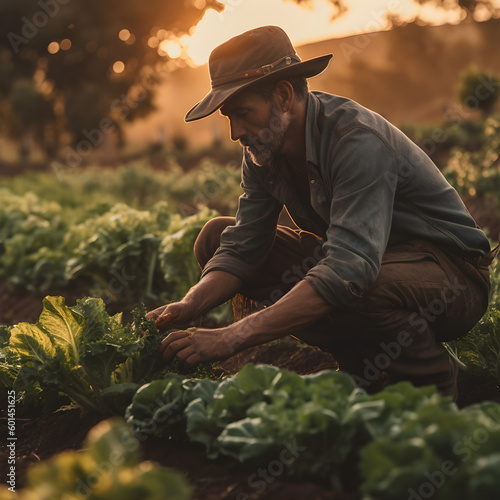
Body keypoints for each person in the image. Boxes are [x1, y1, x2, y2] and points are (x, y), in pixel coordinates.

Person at [146, 25, 495, 399]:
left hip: (452, 275)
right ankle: (361, 364)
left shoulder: (355, 139)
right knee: (216, 239)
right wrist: (189, 304)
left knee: (356, 285)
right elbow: (243, 247)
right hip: (374, 265)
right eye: (229, 117)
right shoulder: (263, 149)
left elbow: (349, 268)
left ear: (282, 96)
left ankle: (434, 390)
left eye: (243, 113)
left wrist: (232, 337)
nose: (235, 132)